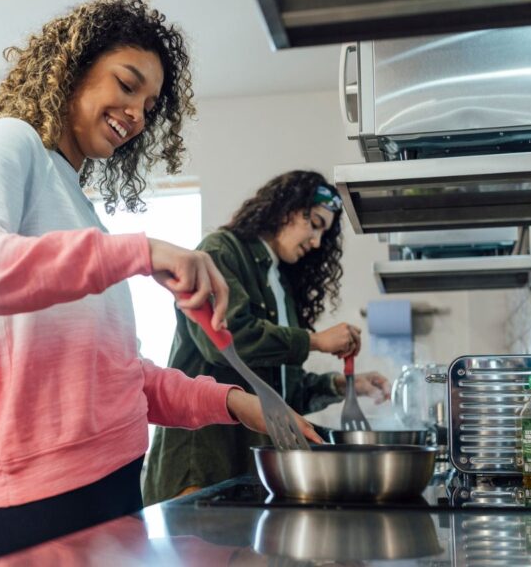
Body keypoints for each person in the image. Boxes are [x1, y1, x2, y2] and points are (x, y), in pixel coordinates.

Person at [0, 0, 320, 561]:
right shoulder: (12, 142)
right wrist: (139, 252)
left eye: (151, 103)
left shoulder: (79, 209)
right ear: (74, 66)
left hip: (110, 484)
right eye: (127, 84)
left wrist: (237, 402)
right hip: (42, 503)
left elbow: (119, 377)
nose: (137, 112)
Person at [143, 170, 392, 505]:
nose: (317, 242)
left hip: (246, 466)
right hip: (201, 465)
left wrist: (343, 385)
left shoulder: (279, 280)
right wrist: (314, 341)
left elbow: (280, 393)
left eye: (324, 232)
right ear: (288, 209)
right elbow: (229, 343)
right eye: (315, 223)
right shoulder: (221, 251)